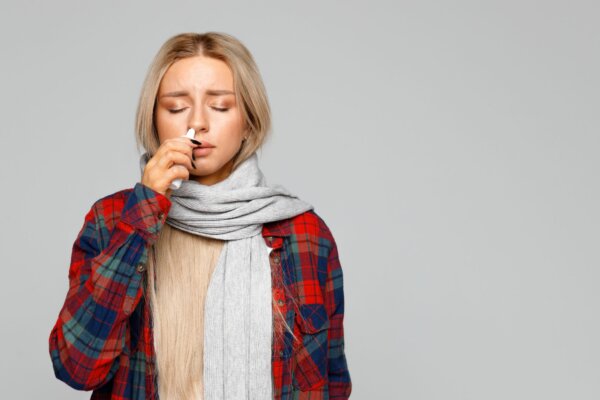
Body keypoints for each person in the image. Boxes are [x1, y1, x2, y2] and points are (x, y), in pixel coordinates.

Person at [48, 31, 351, 400]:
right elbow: (77, 366)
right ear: (155, 121)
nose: (198, 122)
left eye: (221, 106)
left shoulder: (305, 234)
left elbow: (334, 385)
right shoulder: (113, 219)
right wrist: (144, 212)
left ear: (249, 123)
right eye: (176, 108)